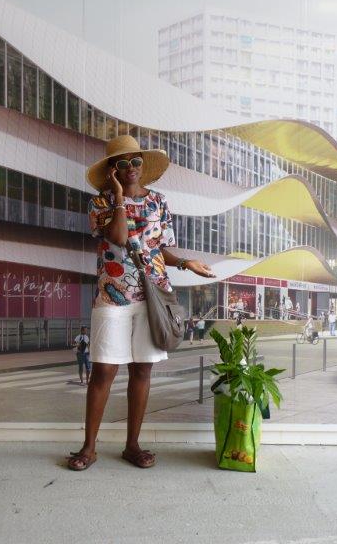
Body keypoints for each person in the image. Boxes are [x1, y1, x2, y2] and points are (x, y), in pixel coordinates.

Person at [67, 135, 215, 471]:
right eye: (123, 164)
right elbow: (119, 238)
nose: (132, 168)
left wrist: (184, 262)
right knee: (103, 370)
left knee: (142, 370)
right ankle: (89, 448)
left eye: (136, 162)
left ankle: (132, 445)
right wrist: (119, 198)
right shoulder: (100, 204)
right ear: (112, 171)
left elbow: (157, 247)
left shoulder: (159, 202)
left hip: (153, 295)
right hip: (113, 294)